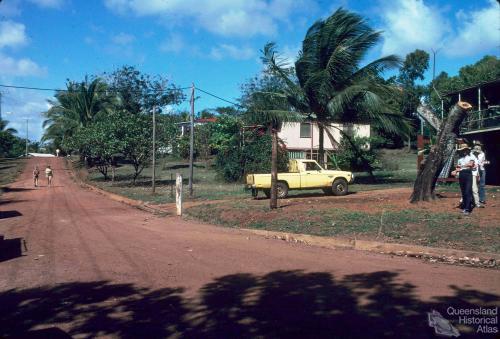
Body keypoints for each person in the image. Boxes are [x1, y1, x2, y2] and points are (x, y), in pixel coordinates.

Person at [452, 144, 475, 215]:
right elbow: (458, 168)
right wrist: (455, 171)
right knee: (463, 191)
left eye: (465, 150)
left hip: (468, 173)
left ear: (467, 150)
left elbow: (470, 164)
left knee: (468, 191)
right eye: (462, 150)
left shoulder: (471, 156)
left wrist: (461, 166)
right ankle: (465, 206)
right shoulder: (460, 159)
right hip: (461, 174)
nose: (463, 151)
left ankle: (468, 209)